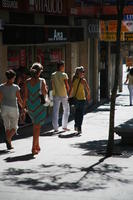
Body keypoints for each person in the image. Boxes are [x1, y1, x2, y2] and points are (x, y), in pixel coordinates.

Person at [23, 62, 48, 155]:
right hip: (39, 106)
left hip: (31, 107)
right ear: (39, 72)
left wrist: (23, 108)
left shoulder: (27, 81)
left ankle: (37, 145)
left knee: (36, 126)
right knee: (37, 128)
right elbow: (44, 93)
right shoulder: (42, 81)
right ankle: (33, 147)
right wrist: (46, 89)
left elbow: (25, 96)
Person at [0, 69, 24, 150]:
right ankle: (7, 139)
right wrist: (23, 108)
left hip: (3, 108)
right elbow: (19, 99)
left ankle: (9, 144)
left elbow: (0, 99)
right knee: (14, 127)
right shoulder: (16, 87)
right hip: (13, 108)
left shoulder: (1, 87)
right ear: (13, 77)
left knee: (7, 127)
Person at [69, 66, 90, 134]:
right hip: (80, 99)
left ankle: (77, 126)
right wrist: (88, 95)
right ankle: (79, 127)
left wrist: (69, 95)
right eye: (82, 72)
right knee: (79, 114)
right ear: (78, 73)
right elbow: (88, 89)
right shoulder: (82, 80)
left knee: (77, 113)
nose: (83, 73)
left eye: (83, 72)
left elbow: (71, 89)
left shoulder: (74, 79)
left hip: (79, 99)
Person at [51, 60, 70, 132]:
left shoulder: (53, 74)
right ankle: (64, 126)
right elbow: (67, 85)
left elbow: (53, 85)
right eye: (63, 66)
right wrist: (69, 93)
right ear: (61, 66)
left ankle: (55, 128)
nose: (64, 67)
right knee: (66, 110)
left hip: (56, 94)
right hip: (64, 94)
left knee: (55, 111)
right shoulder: (64, 75)